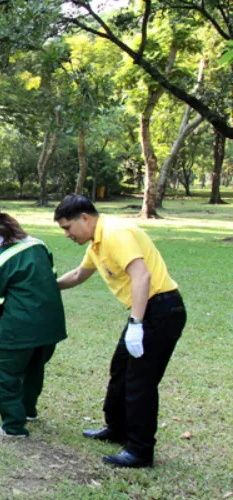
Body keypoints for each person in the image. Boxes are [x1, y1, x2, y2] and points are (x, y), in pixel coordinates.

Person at [55, 194, 186, 468]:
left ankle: (140, 451)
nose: (67, 234)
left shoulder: (115, 233)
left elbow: (142, 276)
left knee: (140, 380)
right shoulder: (97, 243)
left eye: (67, 227)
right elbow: (79, 274)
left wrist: (136, 325)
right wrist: (47, 286)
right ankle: (117, 429)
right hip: (146, 311)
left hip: (160, 310)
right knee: (121, 370)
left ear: (85, 218)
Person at [0, 210, 67, 437]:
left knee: (6, 374)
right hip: (51, 323)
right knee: (34, 368)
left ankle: (13, 426)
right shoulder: (39, 245)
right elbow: (49, 279)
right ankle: (27, 410)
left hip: (20, 326)